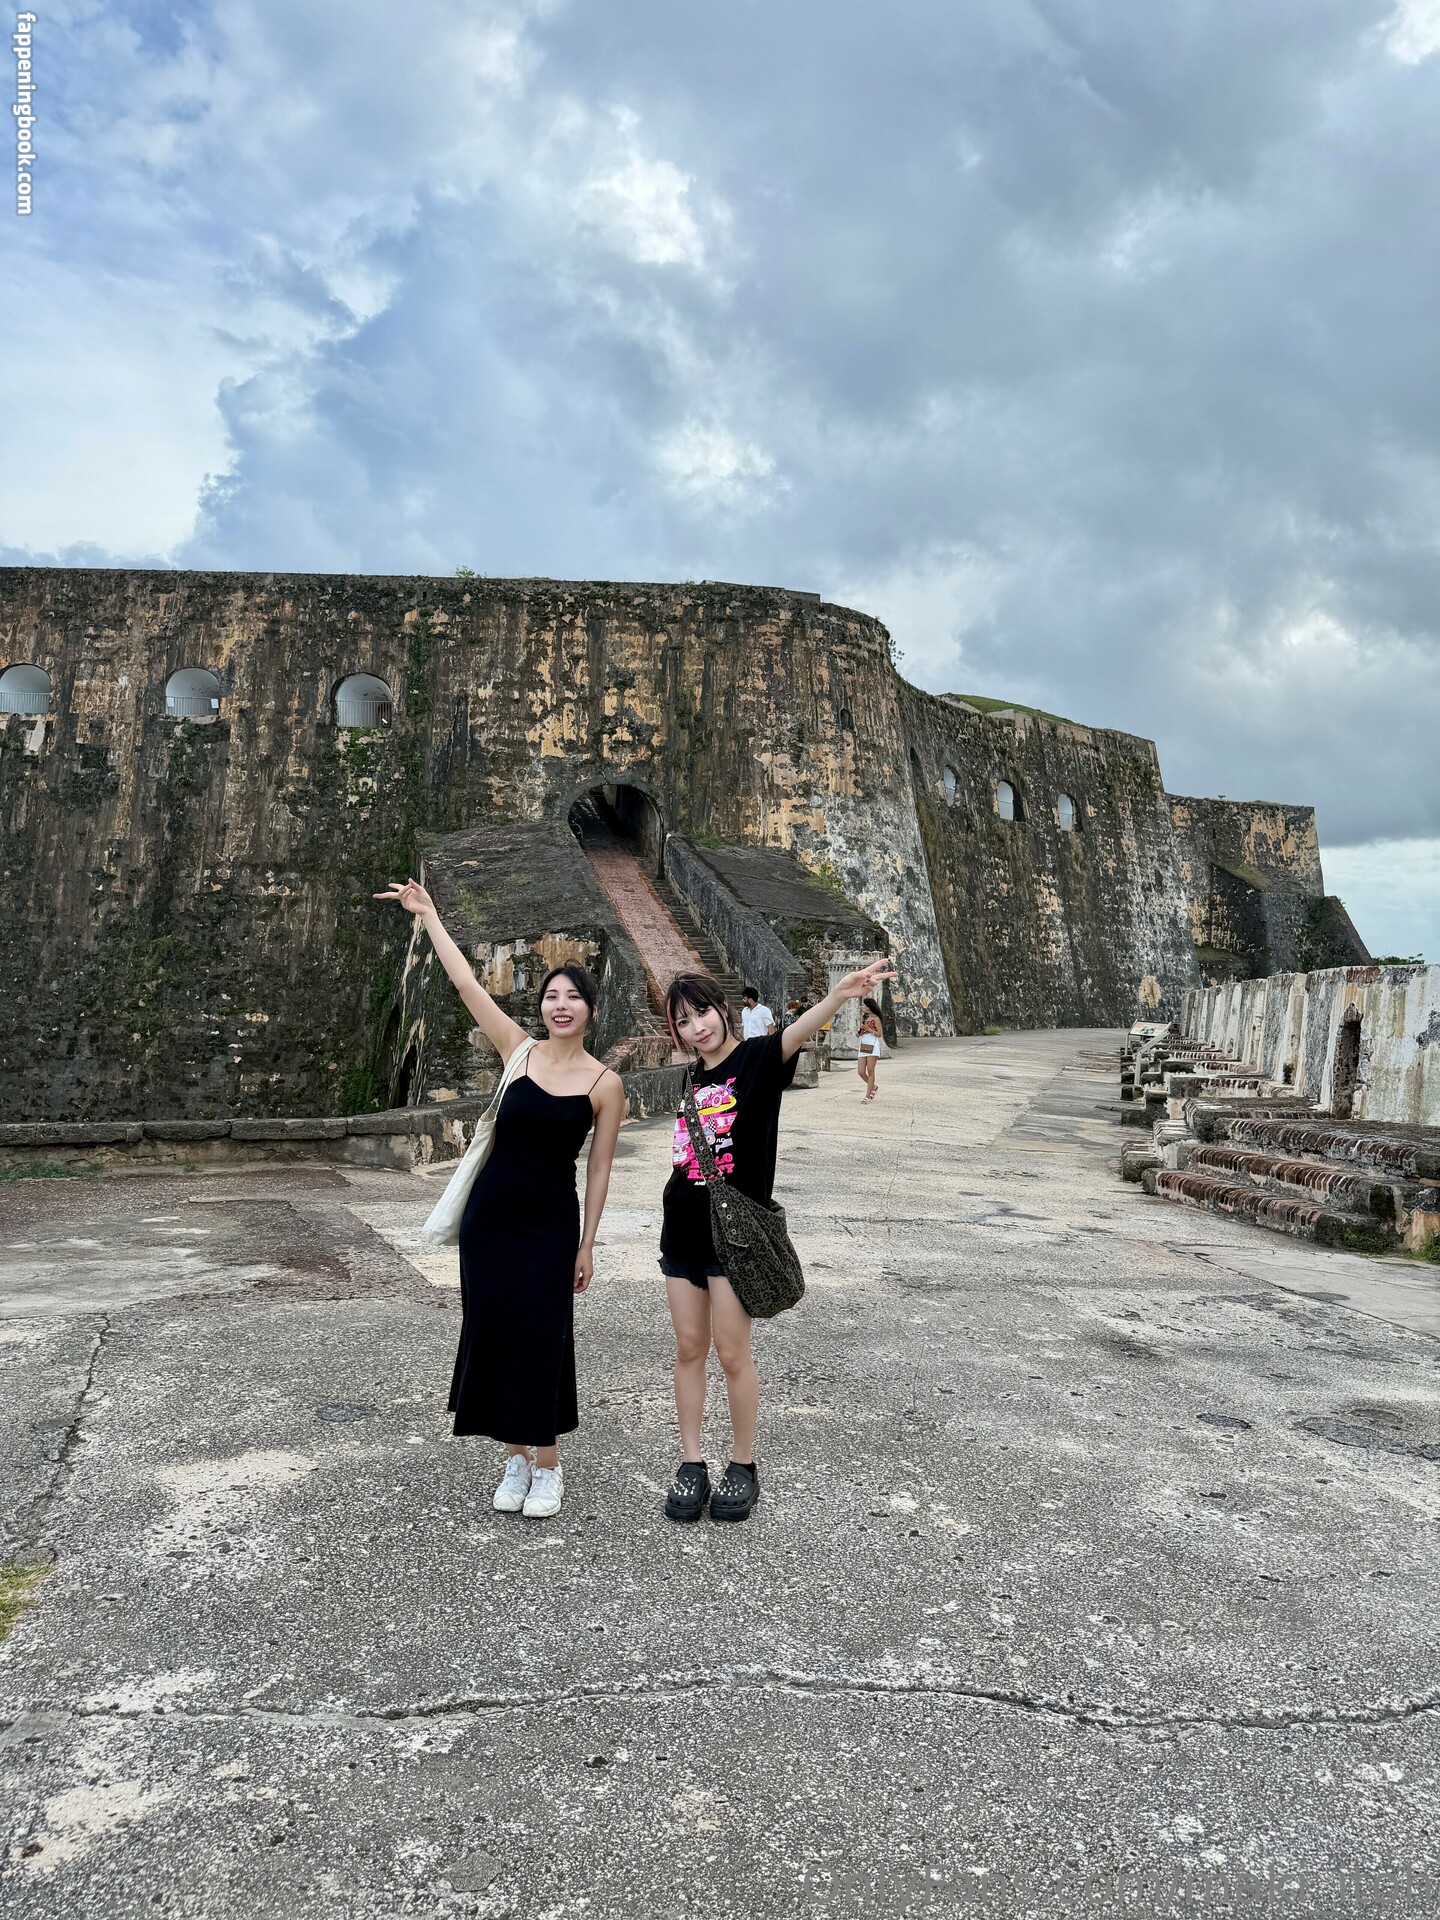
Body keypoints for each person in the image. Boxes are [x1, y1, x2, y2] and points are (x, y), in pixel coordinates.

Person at [373, 877, 624, 1519]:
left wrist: (588, 1243)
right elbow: (465, 986)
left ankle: (549, 1465)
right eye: (552, 996)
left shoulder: (604, 1084)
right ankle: (515, 1457)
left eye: (573, 997)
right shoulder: (519, 1051)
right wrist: (430, 916)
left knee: (543, 1338)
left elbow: (599, 1170)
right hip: (491, 1219)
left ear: (591, 1010)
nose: (561, 1006)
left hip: (551, 1224)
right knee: (494, 1329)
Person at [657, 958, 897, 1525]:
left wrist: (840, 995)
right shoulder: (689, 1079)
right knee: (689, 1349)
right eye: (683, 1021)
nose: (697, 1027)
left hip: (735, 1237)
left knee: (732, 1352)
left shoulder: (758, 1060)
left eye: (702, 1013)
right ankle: (691, 1462)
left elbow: (797, 1030)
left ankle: (743, 1464)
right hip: (681, 1229)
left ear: (723, 1009)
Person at [857, 996, 884, 1102]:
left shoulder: (876, 1019)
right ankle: (873, 1086)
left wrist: (868, 1029)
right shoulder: (864, 1018)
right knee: (861, 1071)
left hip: (872, 1045)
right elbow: (862, 1032)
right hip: (863, 1044)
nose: (862, 1007)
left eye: (864, 1005)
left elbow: (879, 1034)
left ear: (868, 1007)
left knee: (870, 1070)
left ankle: (868, 1095)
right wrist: (860, 1032)